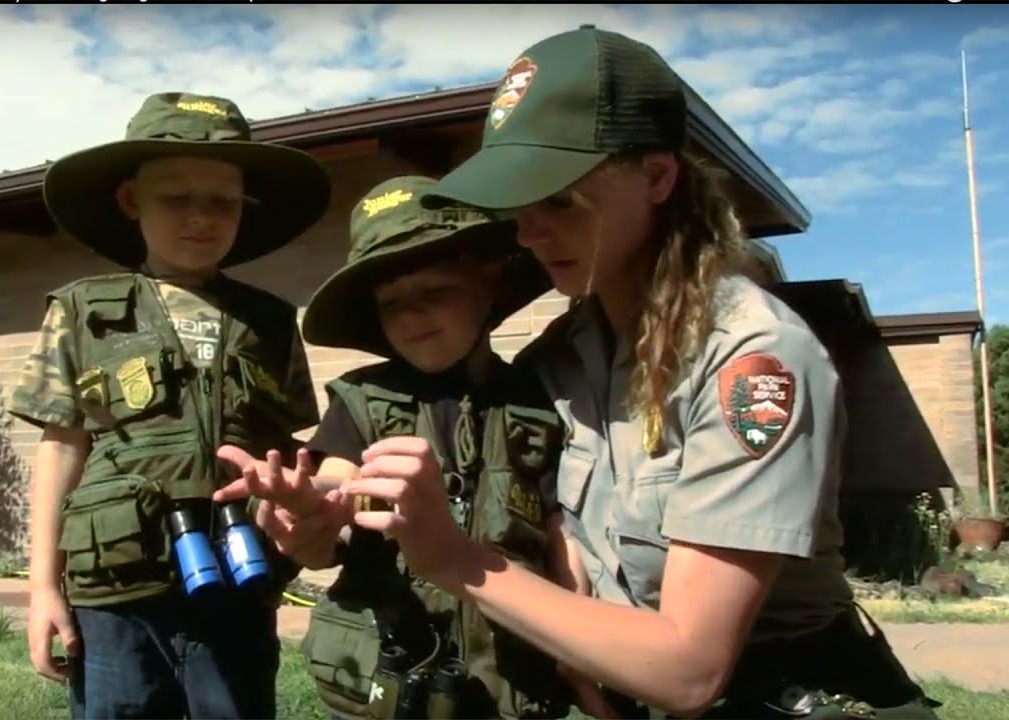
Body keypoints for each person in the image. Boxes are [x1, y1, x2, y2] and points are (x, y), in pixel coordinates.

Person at [330, 26, 942, 720]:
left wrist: (455, 560)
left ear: (656, 176)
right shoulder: (566, 355)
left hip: (781, 690)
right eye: (518, 205)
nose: (529, 232)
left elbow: (688, 668)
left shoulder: (750, 360)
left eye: (559, 199)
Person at [213, 175, 615, 719]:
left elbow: (556, 526)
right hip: (389, 680)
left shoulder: (537, 401)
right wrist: (312, 508)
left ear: (490, 280)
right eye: (390, 303)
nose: (409, 316)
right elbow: (337, 486)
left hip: (509, 680)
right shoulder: (364, 399)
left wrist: (578, 637)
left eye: (432, 292)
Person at [7, 91, 331, 720]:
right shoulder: (80, 310)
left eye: (222, 201)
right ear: (132, 201)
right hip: (114, 589)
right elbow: (60, 445)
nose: (200, 217)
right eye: (175, 198)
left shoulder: (269, 320)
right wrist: (44, 587)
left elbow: (287, 451)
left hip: (239, 581)